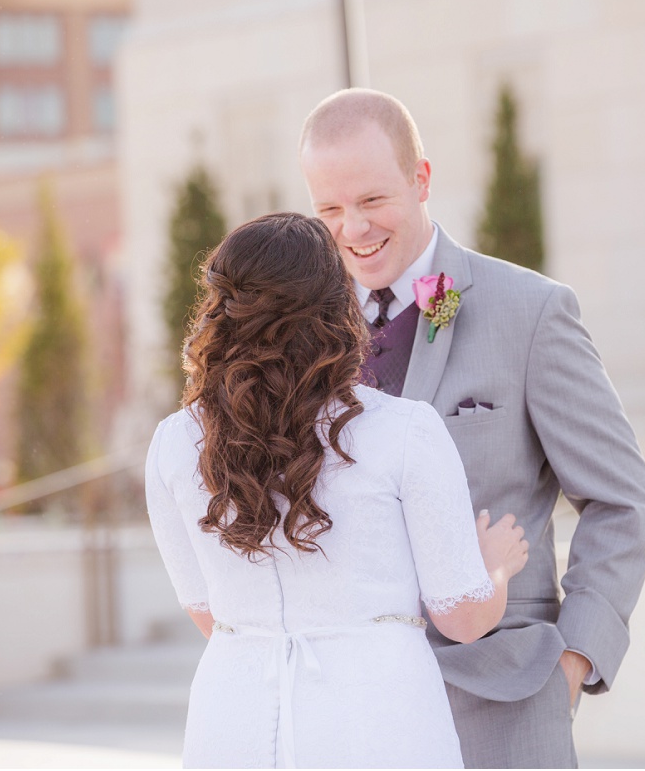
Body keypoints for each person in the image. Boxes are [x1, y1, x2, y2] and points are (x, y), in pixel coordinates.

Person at [299, 88, 645, 768]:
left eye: (373, 201)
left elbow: (622, 500)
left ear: (421, 178)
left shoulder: (530, 312)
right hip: (351, 721)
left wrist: (574, 663)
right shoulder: (301, 338)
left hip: (502, 713)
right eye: (329, 209)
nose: (353, 229)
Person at [144, 212, 530, 768]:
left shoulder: (173, 444)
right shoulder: (403, 430)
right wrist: (495, 565)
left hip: (234, 720)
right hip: (375, 721)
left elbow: (208, 615)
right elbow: (463, 619)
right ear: (335, 305)